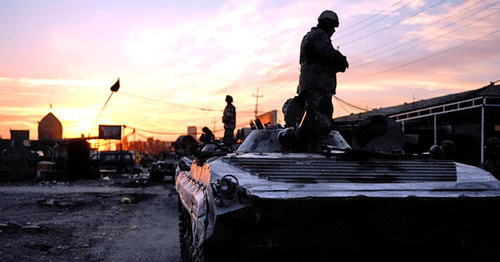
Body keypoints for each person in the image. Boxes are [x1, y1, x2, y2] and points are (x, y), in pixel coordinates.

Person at [295, 10, 349, 152]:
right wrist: (341, 60)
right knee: (321, 119)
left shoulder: (309, 36)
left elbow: (321, 59)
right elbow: (329, 54)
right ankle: (317, 149)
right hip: (318, 85)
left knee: (311, 117)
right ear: (326, 24)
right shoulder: (319, 35)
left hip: (310, 84)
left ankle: (309, 146)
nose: (333, 31)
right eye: (332, 27)